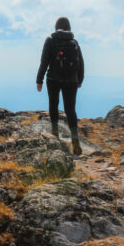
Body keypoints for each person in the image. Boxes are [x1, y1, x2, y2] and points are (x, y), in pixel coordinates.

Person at [36, 16, 85, 155]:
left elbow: (44, 61)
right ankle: (75, 140)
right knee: (71, 110)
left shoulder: (50, 40)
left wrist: (39, 80)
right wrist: (80, 79)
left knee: (53, 105)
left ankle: (55, 136)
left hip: (53, 79)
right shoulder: (74, 42)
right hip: (71, 80)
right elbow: (81, 62)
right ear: (69, 27)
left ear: (56, 27)